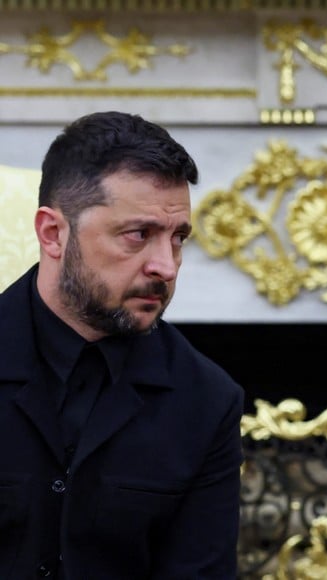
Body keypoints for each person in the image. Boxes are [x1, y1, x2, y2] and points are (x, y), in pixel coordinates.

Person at [0, 111, 244, 578]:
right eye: (139, 235)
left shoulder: (208, 402)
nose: (166, 267)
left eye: (178, 238)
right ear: (53, 234)